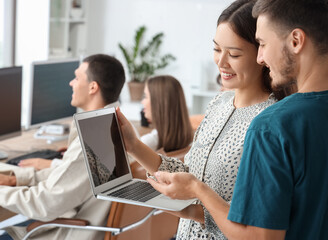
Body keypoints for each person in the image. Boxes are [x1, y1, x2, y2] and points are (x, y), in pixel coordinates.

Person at [148, 0, 328, 239]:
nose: (260, 58)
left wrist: (198, 190)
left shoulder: (272, 126)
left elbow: (260, 237)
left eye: (262, 44)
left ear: (296, 41)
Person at [116, 1, 292, 238]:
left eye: (234, 54)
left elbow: (255, 221)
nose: (221, 62)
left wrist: (193, 208)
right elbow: (189, 173)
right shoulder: (218, 104)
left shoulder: (270, 121)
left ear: (260, 55)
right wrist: (133, 146)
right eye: (217, 49)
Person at [0, 54, 129, 239]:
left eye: (77, 78)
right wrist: (16, 179)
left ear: (93, 87)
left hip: (72, 232)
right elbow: (70, 176)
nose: (71, 83)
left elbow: (44, 205)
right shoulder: (116, 124)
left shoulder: (95, 139)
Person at [140, 75, 193, 153]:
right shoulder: (188, 138)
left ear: (158, 103)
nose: (142, 102)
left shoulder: (148, 142)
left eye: (146, 96)